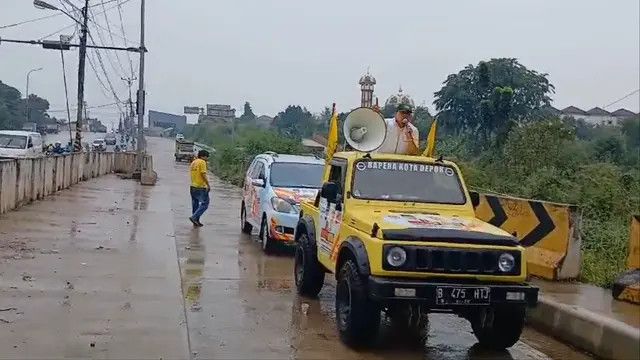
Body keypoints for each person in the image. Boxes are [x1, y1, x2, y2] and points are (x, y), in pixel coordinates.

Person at [189, 150, 211, 227]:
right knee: (205, 203)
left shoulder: (193, 162)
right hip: (200, 187)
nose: (207, 159)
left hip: (193, 186)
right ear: (203, 156)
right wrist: (208, 185)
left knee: (195, 204)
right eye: (206, 157)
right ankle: (194, 217)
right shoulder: (202, 162)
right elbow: (203, 174)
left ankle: (196, 220)